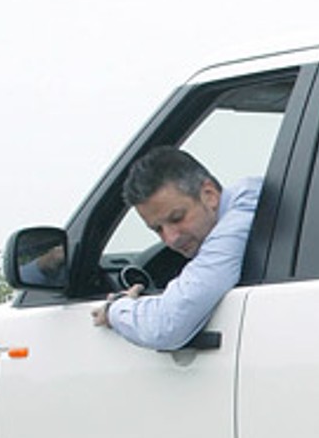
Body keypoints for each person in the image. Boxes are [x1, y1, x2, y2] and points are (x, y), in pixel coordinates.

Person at [93, 147, 261, 350]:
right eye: (158, 229)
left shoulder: (238, 223)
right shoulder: (256, 196)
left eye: (177, 218)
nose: (171, 239)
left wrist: (115, 309)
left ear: (209, 195)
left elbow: (166, 326)